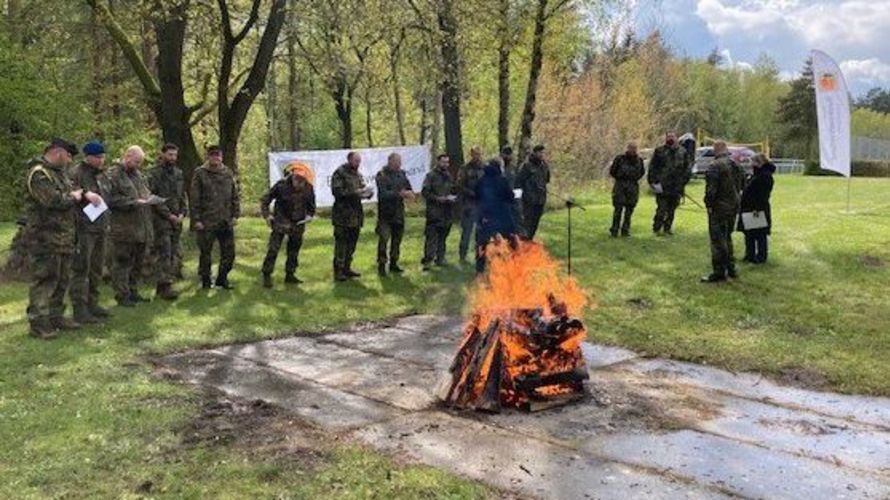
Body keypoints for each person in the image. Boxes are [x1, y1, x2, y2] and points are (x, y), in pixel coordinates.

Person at [24, 138, 90, 338]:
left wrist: (79, 195)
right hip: (45, 237)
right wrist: (75, 196)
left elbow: (67, 196)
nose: (69, 161)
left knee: (62, 279)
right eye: (68, 156)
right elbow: (52, 200)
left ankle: (55, 317)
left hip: (64, 237)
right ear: (58, 152)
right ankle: (38, 323)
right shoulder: (39, 174)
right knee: (44, 280)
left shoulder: (59, 174)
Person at [108, 146, 176, 305]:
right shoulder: (114, 175)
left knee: (137, 263)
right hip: (124, 228)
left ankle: (133, 291)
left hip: (141, 228)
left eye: (141, 162)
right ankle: (122, 295)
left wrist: (152, 200)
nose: (139, 165)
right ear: (128, 156)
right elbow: (109, 200)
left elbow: (145, 193)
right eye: (137, 161)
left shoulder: (139, 175)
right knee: (122, 263)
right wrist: (132, 202)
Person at [69, 141, 112, 324]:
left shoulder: (102, 175)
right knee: (81, 269)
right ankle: (80, 308)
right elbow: (70, 191)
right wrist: (86, 193)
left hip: (101, 227)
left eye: (103, 157)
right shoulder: (76, 172)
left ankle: (93, 303)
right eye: (98, 157)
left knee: (96, 268)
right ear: (88, 157)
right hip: (84, 228)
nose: (101, 160)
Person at [190, 145, 240, 289]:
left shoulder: (227, 173)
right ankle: (205, 280)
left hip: (225, 220)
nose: (215, 158)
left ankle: (222, 279)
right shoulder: (200, 173)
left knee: (229, 253)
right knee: (205, 253)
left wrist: (235, 214)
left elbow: (234, 195)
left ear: (221, 157)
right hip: (206, 220)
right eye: (212, 155)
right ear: (208, 157)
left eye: (218, 155)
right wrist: (196, 219)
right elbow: (194, 198)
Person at [260, 165, 316, 287]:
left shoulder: (308, 187)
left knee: (294, 251)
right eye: (298, 180)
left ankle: (290, 274)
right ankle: (267, 274)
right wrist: (267, 215)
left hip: (298, 223)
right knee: (273, 249)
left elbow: (311, 207)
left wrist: (309, 216)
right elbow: (265, 199)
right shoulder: (281, 185)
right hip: (281, 221)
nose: (299, 184)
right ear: (293, 177)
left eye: (302, 181)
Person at [147, 143, 187, 300]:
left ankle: (167, 283)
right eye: (170, 154)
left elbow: (182, 195)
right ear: (162, 154)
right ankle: (164, 286)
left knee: (173, 253)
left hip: (177, 219)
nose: (172, 158)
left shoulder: (178, 173)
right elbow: (153, 197)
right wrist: (168, 215)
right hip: (161, 220)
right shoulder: (154, 174)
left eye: (175, 155)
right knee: (164, 252)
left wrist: (183, 213)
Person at [331, 151, 373, 281]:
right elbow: (337, 192)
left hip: (356, 214)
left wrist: (367, 193)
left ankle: (347, 268)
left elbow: (362, 188)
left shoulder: (358, 175)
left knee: (352, 243)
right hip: (342, 215)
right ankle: (338, 270)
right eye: (356, 161)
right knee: (341, 244)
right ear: (349, 160)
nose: (358, 163)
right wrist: (355, 192)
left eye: (359, 161)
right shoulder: (340, 173)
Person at [702, 141, 740, 283]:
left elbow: (711, 189)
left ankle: (719, 272)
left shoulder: (714, 166)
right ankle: (731, 268)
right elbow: (740, 184)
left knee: (718, 240)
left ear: (715, 150)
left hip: (719, 207)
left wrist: (708, 204)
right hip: (733, 206)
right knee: (728, 237)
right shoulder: (735, 164)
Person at [374, 152, 414, 276]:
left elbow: (408, 187)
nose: (399, 164)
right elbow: (383, 194)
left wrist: (409, 193)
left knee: (397, 240)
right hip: (385, 214)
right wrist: (399, 194)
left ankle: (394, 263)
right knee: (384, 239)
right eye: (397, 162)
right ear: (390, 161)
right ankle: (381, 264)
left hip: (399, 213)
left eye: (400, 162)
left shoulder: (401, 174)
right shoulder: (382, 175)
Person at [475, 158, 517, 273]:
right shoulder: (502, 180)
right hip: (502, 216)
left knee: (482, 242)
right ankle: (513, 264)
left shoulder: (482, 180)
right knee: (511, 239)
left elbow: (477, 196)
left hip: (485, 216)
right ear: (500, 167)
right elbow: (510, 197)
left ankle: (479, 268)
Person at [648, 132, 691, 235]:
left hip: (676, 187)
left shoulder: (682, 151)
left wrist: (683, 183)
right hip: (662, 186)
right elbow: (652, 168)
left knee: (672, 210)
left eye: (672, 136)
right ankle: (657, 228)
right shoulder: (659, 151)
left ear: (676, 138)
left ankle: (667, 228)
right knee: (661, 209)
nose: (670, 138)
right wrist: (653, 182)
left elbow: (687, 169)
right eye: (668, 136)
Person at [738, 154, 775, 264]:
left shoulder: (765, 176)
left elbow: (762, 195)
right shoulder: (756, 174)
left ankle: (761, 256)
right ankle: (750, 255)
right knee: (749, 233)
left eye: (752, 162)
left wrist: (756, 208)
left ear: (758, 162)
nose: (750, 164)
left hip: (757, 208)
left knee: (759, 234)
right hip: (749, 207)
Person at [421, 154, 456, 271]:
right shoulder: (430, 176)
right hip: (434, 211)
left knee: (443, 237)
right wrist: (438, 198)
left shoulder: (449, 176)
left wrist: (452, 197)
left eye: (447, 162)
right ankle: (428, 261)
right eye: (443, 162)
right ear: (438, 162)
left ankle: (440, 258)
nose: (445, 164)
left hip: (447, 211)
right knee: (431, 238)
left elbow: (452, 189)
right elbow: (425, 192)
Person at [609, 142, 646, 237]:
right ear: (627, 148)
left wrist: (633, 178)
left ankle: (625, 230)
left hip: (632, 185)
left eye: (634, 148)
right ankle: (614, 230)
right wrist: (620, 177)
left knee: (629, 210)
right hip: (620, 185)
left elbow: (641, 172)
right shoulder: (619, 158)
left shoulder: (639, 160)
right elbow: (613, 171)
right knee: (618, 209)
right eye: (630, 148)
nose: (632, 150)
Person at [515, 144, 550, 239]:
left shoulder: (545, 166)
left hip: (540, 201)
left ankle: (529, 244)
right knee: (526, 227)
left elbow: (546, 181)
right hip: (528, 201)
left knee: (534, 226)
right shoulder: (527, 166)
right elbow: (518, 184)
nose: (542, 154)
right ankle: (523, 247)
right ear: (534, 153)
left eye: (543, 152)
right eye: (540, 152)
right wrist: (518, 201)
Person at [457, 146, 485, 264]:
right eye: (475, 154)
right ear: (471, 155)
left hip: (482, 205)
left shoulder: (485, 168)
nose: (477, 156)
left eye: (479, 154)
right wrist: (471, 193)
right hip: (468, 204)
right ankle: (462, 256)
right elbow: (459, 185)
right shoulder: (464, 168)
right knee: (467, 232)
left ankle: (480, 255)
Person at [500, 145, 524, 235]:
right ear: (502, 155)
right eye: (506, 154)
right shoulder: (498, 169)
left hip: (514, 202)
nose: (508, 157)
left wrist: (518, 201)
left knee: (516, 225)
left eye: (509, 154)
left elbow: (518, 185)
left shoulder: (513, 168)